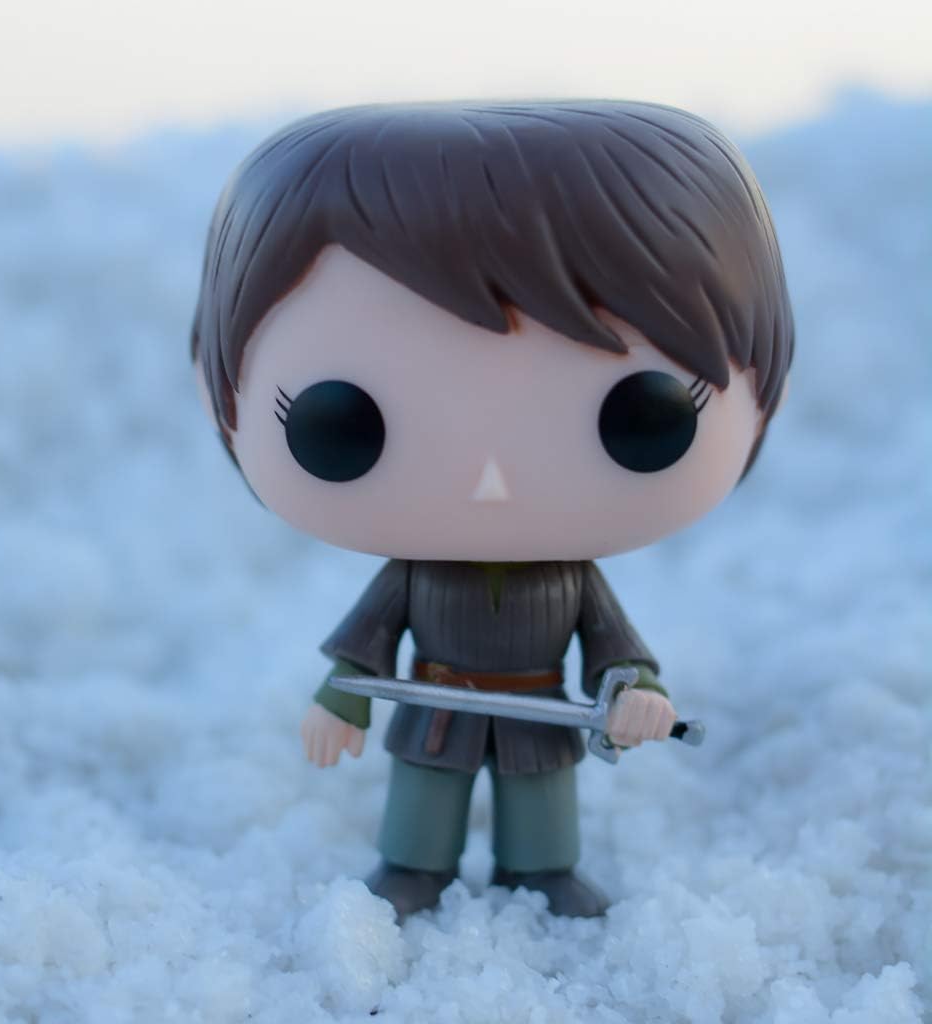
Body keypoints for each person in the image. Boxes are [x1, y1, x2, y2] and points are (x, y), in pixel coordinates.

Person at [190, 100, 794, 920]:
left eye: (642, 416)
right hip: (437, 713)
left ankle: (542, 871)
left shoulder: (570, 581)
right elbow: (368, 642)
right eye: (343, 422)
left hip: (540, 716)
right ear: (218, 392)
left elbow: (612, 647)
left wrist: (635, 689)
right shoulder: (415, 576)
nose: (491, 482)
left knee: (540, 809)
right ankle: (413, 867)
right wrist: (343, 698)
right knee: (424, 804)